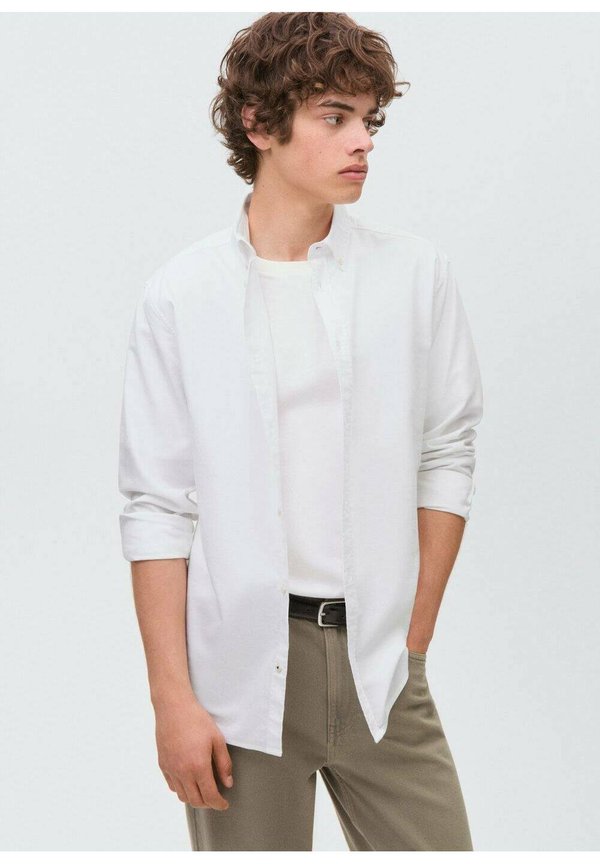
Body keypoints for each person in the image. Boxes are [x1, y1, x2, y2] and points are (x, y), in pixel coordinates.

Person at [117, 11, 483, 852]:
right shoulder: (181, 296)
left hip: (382, 670)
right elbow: (157, 508)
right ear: (259, 123)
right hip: (239, 676)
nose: (363, 141)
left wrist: (414, 638)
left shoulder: (414, 276)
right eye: (335, 116)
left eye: (370, 120)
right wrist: (173, 700)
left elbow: (446, 453)